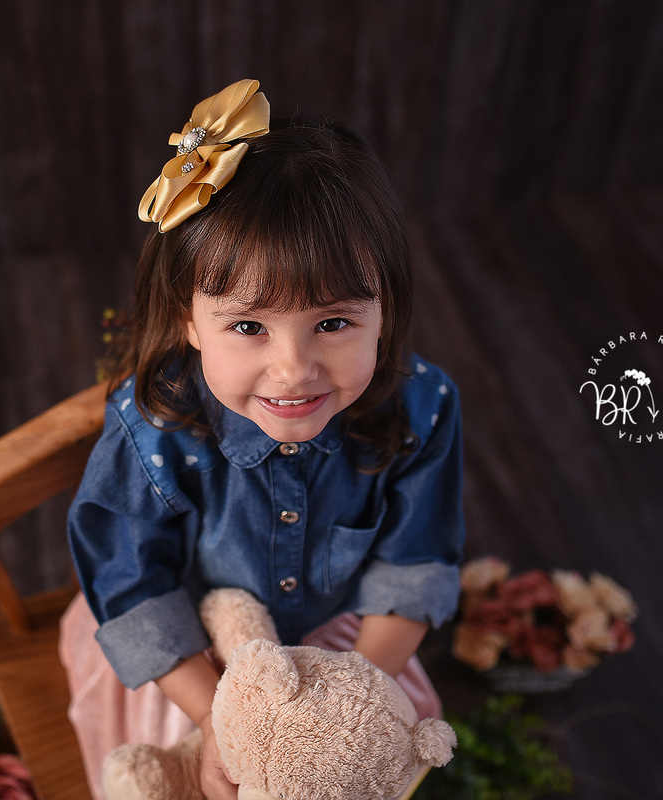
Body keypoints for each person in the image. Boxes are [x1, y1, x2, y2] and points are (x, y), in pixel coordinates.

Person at [58, 79, 464, 800]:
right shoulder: (152, 429)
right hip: (194, 660)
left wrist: (347, 703)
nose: (293, 369)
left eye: (333, 323)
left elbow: (415, 564)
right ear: (188, 320)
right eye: (249, 326)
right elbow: (134, 588)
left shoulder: (421, 407)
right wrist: (220, 718)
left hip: (348, 649)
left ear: (385, 311)